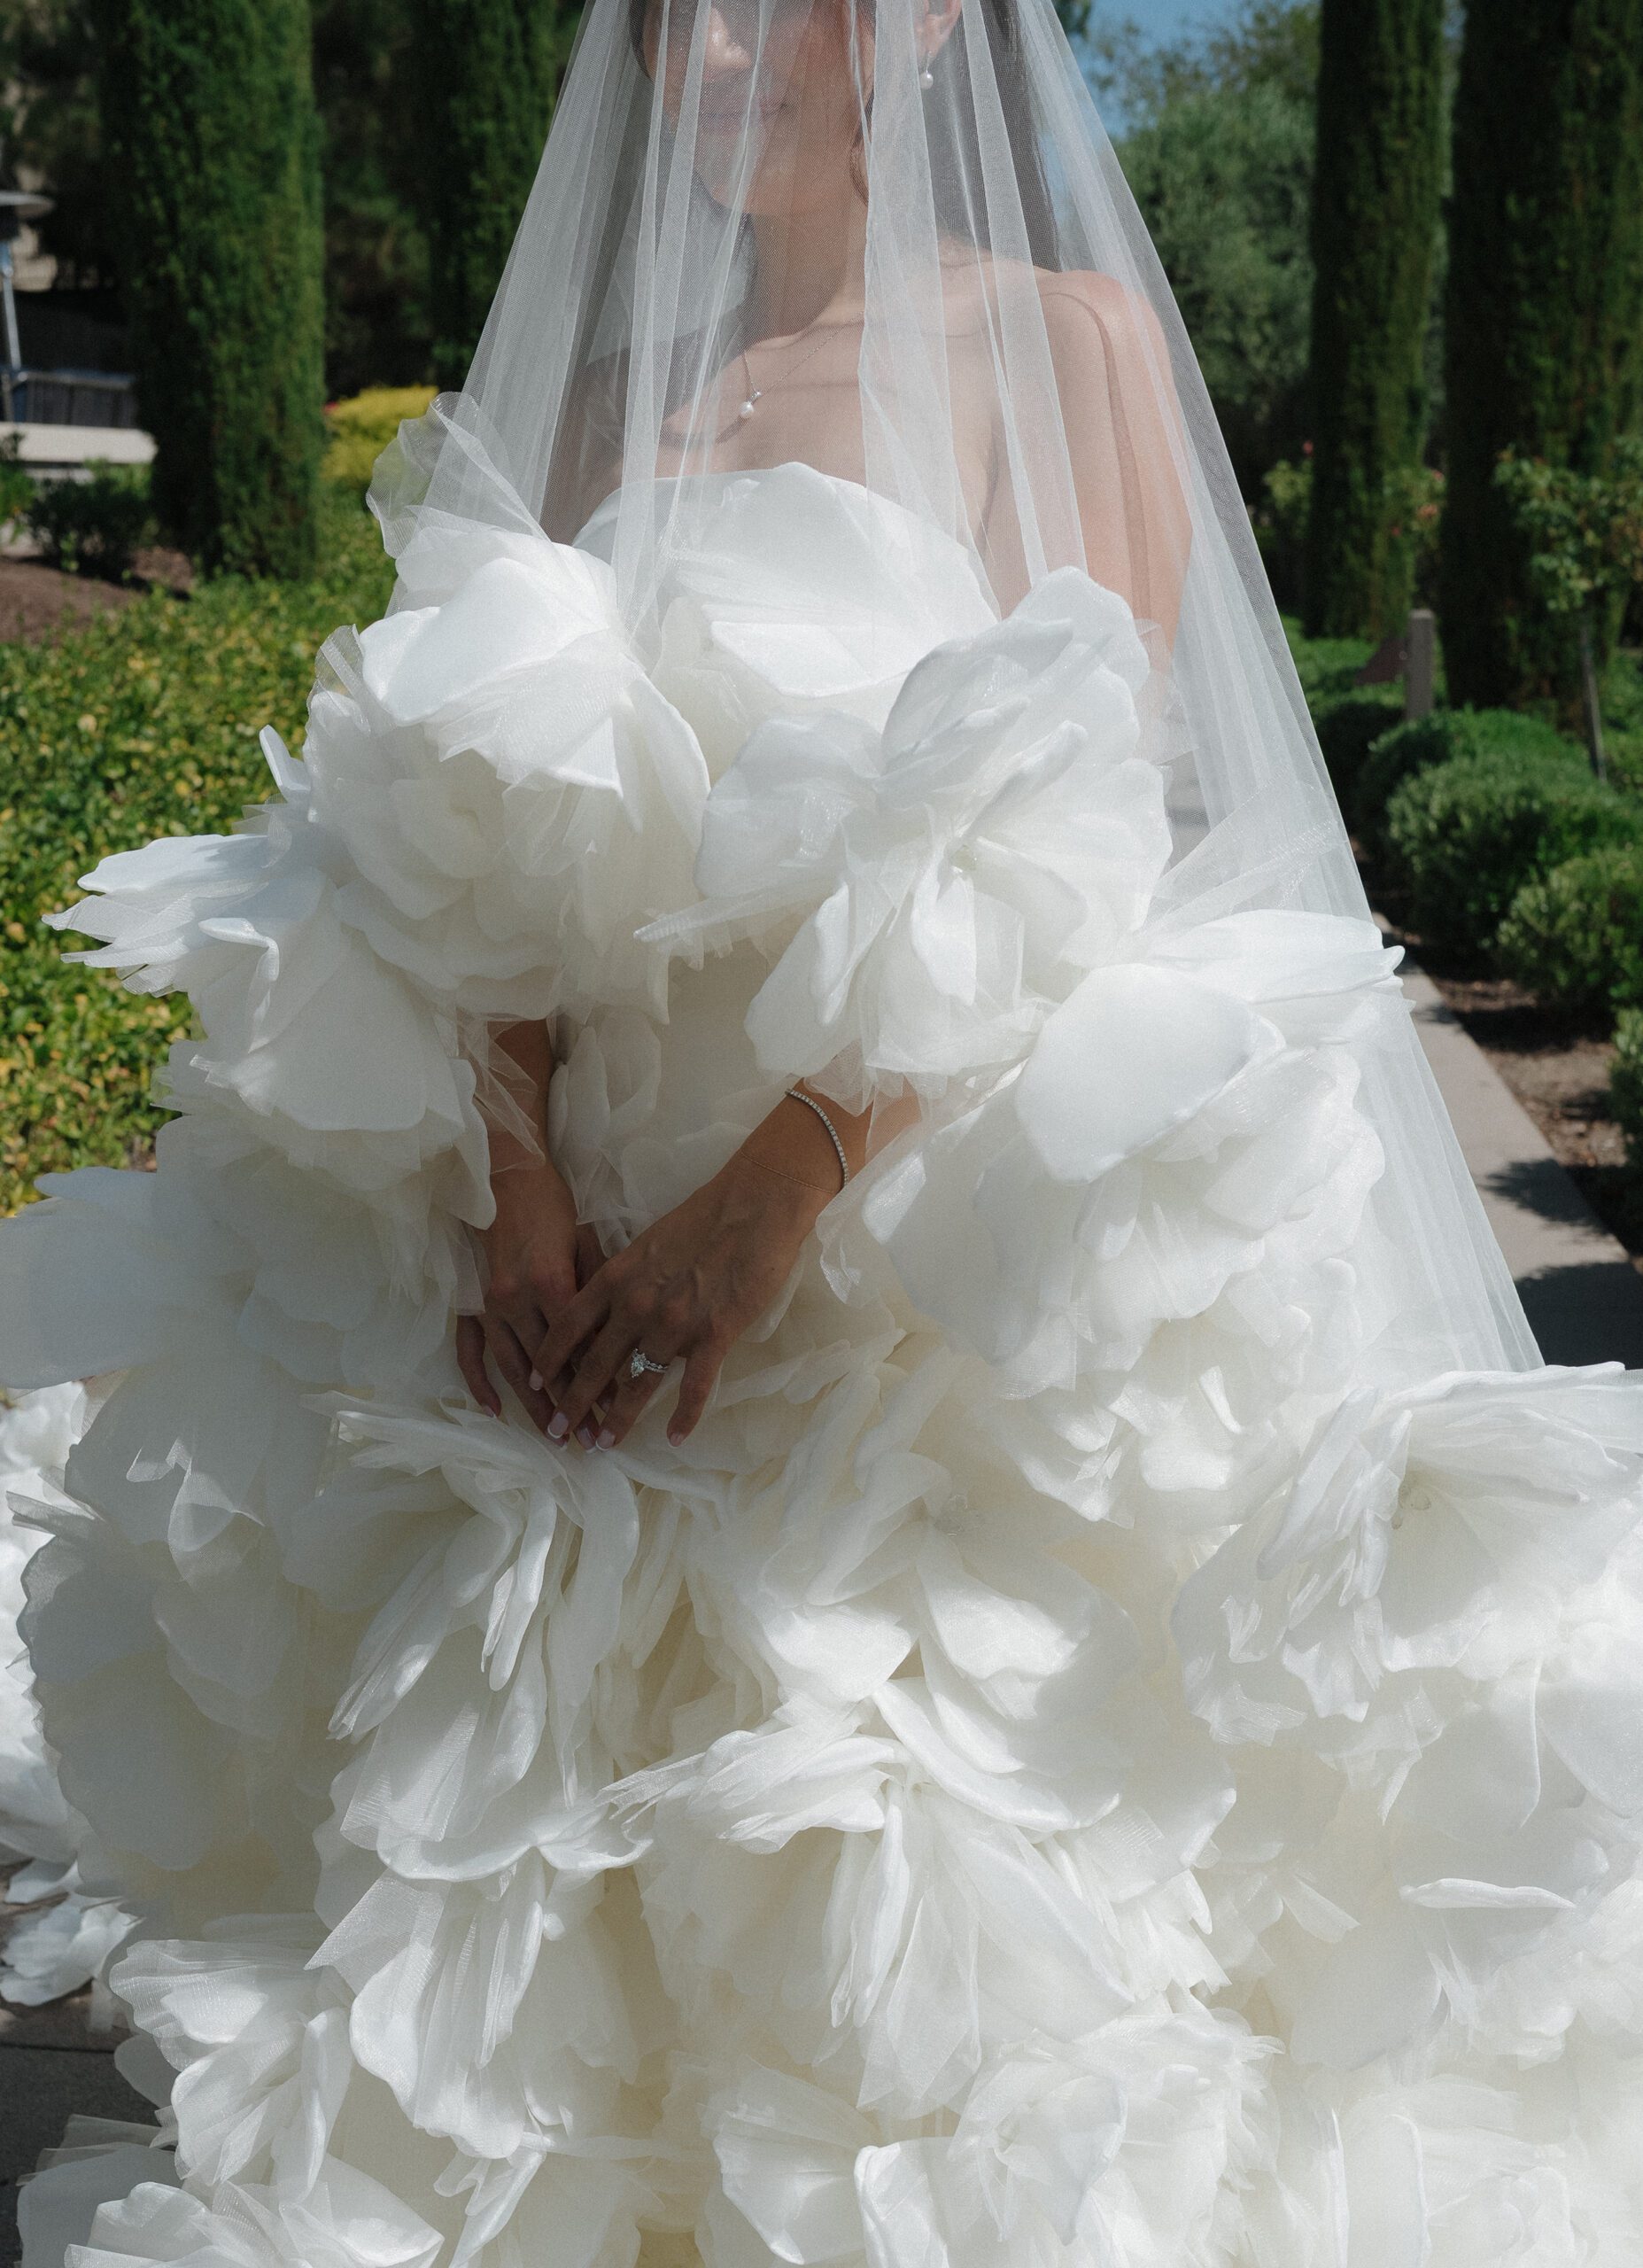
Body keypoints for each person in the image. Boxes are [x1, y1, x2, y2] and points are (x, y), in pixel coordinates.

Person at [3, 0, 1640, 2258]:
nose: (705, 65)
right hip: (567, 1308)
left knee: (910, 1880)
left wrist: (780, 1187)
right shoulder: (594, 404)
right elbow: (460, 841)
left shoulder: (1056, 350)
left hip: (905, 1269)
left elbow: (1074, 837)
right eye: (664, 23)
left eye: (763, 9)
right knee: (530, 1907)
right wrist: (514, 1183)